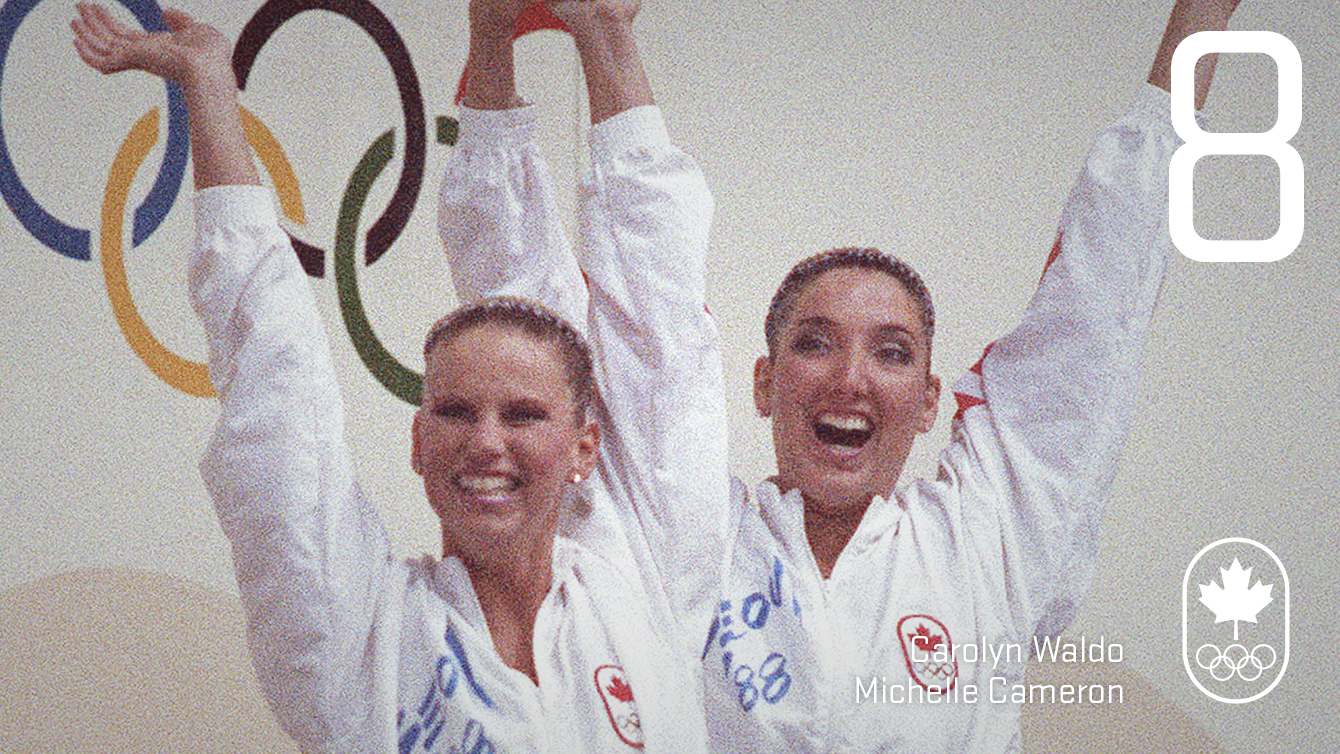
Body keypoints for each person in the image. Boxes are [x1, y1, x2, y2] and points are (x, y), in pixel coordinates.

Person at [441, 0, 1244, 750]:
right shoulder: (689, 543)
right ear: (764, 383)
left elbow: (1097, 306)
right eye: (815, 343)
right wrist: (519, 41)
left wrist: (1200, 17)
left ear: (928, 402)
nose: (851, 379)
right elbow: (574, 347)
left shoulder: (983, 547)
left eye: (892, 353)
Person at [72, 3, 709, 752]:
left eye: (524, 416)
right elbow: (277, 400)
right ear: (417, 441)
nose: (486, 441)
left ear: (584, 447)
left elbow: (660, 333)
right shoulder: (365, 643)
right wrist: (207, 86)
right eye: (455, 412)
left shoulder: (642, 585)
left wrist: (595, 32)